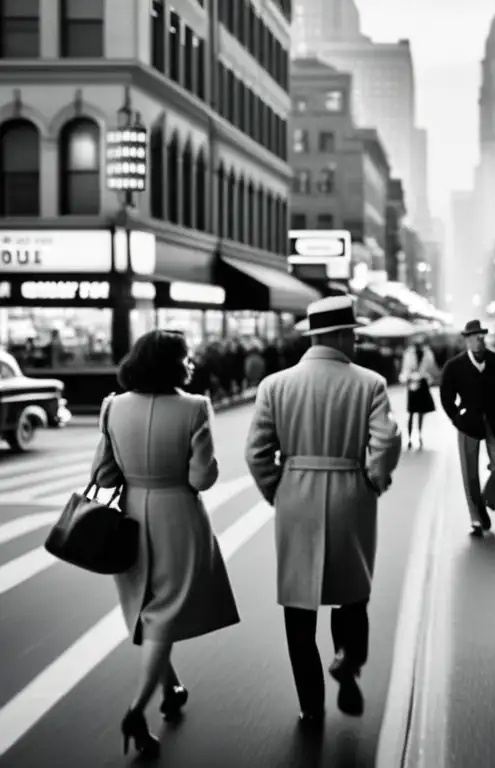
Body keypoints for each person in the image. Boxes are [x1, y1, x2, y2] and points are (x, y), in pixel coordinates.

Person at [244, 295, 402, 726]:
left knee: (299, 605)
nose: (355, 339)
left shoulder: (275, 385)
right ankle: (347, 660)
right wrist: (374, 480)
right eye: (352, 332)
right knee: (352, 592)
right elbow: (385, 442)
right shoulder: (370, 383)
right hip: (350, 490)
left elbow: (257, 452)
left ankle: (310, 706)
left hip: (297, 493)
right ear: (337, 335)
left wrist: (278, 489)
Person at [89, 330, 239, 759]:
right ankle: (137, 709)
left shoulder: (113, 406)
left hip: (131, 518)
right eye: (186, 357)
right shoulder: (195, 407)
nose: (191, 362)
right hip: (179, 518)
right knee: (165, 615)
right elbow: (200, 478)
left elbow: (103, 475)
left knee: (148, 608)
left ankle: (171, 687)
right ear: (173, 364)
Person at [439, 320, 495, 536]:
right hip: (468, 423)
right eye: (473, 337)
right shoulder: (454, 366)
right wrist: (456, 419)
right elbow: (446, 397)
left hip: (494, 422)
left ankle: (487, 494)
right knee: (469, 472)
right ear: (466, 340)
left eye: (480, 337)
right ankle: (476, 517)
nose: (478, 341)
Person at [399, 333, 440, 449]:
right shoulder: (409, 354)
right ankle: (410, 436)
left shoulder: (427, 353)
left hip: (422, 382)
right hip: (412, 382)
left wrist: (431, 377)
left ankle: (420, 434)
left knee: (421, 411)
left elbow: (431, 367)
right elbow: (405, 368)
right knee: (411, 412)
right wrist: (406, 377)